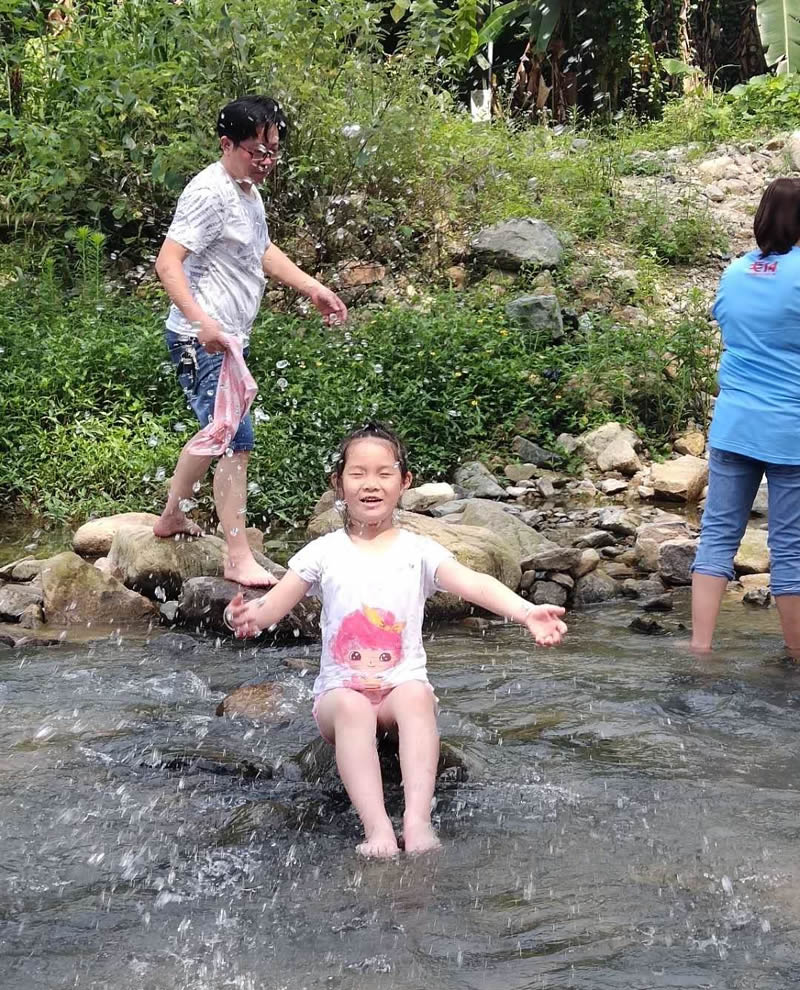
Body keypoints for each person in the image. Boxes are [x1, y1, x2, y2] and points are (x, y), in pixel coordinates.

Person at [227, 422, 567, 857]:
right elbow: (273, 606)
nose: (371, 484)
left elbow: (475, 583)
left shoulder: (418, 551)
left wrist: (525, 611)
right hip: (340, 696)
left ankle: (417, 822)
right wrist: (244, 616)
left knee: (415, 696)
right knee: (351, 705)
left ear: (404, 482)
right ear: (339, 483)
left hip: (397, 691)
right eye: (358, 473)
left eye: (384, 473)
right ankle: (377, 830)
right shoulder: (323, 552)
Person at [152, 95, 347, 587]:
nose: (266, 162)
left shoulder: (247, 193)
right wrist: (202, 323)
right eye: (257, 152)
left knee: (219, 432)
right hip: (205, 341)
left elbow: (261, 250)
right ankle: (237, 554)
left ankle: (173, 515)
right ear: (227, 144)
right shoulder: (209, 192)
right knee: (235, 440)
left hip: (229, 340)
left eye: (273, 151)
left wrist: (314, 288)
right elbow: (167, 262)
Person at [691, 178, 800, 654]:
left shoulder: (734, 271)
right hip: (790, 430)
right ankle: (797, 657)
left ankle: (699, 646)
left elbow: (725, 319)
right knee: (791, 549)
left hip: (733, 425)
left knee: (716, 537)